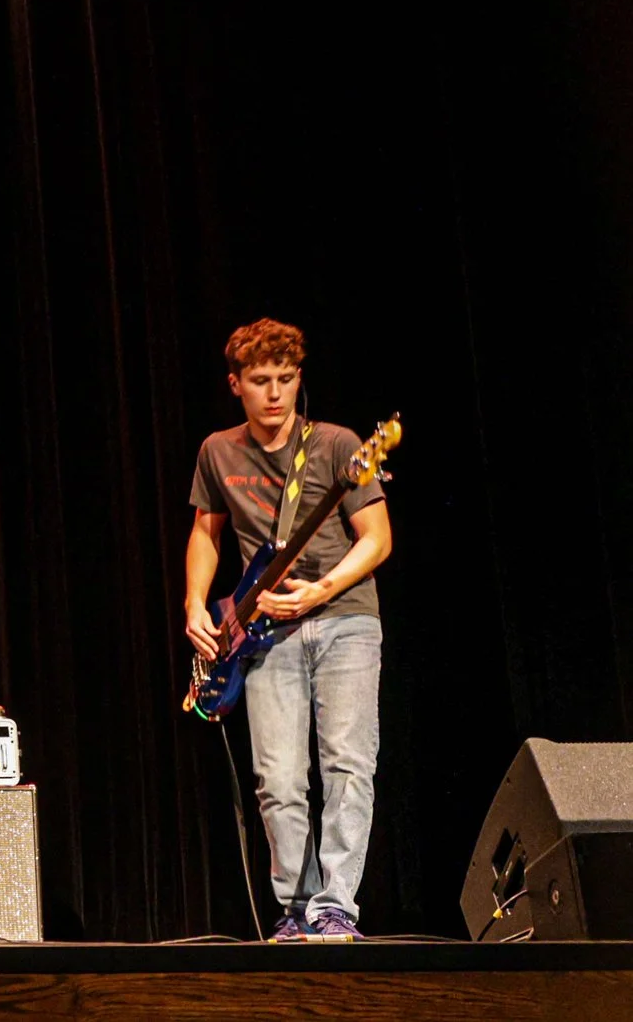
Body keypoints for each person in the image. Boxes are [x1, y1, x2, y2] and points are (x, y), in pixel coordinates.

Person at [182, 317, 392, 941]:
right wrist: (195, 603)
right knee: (277, 780)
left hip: (345, 621)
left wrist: (321, 590)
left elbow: (377, 538)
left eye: (286, 378)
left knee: (347, 765)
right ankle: (298, 910)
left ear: (299, 378)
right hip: (263, 631)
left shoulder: (336, 444)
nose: (275, 393)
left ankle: (336, 907)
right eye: (260, 381)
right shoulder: (218, 451)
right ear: (235, 385)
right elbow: (205, 532)